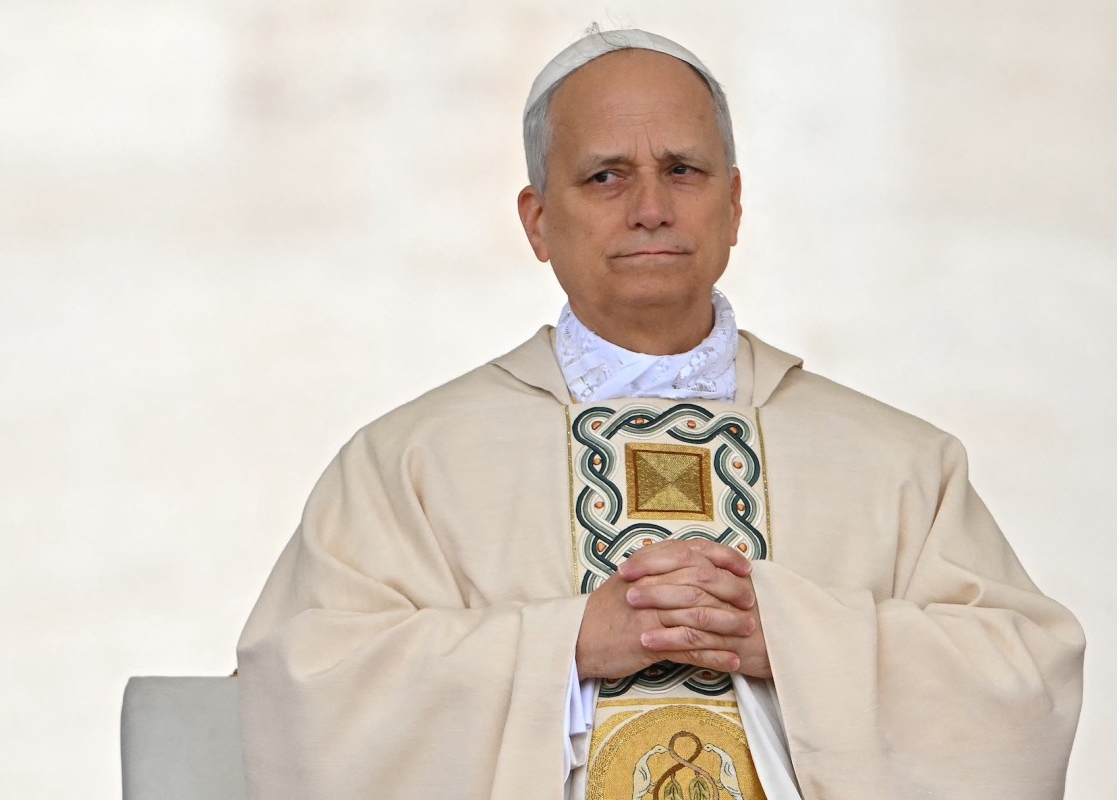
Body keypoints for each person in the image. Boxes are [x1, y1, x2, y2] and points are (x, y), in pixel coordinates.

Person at [236, 27, 1084, 800]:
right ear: (537, 220)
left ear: (734, 203)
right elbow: (307, 686)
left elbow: (1023, 683)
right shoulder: (410, 463)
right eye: (605, 175)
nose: (649, 206)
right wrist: (568, 648)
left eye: (682, 169)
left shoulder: (898, 462)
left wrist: (789, 637)